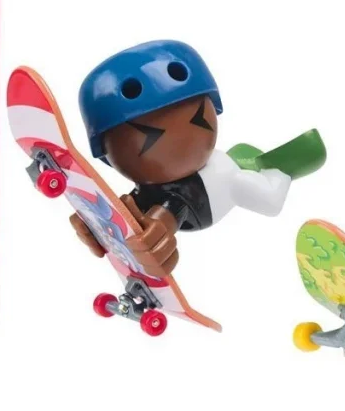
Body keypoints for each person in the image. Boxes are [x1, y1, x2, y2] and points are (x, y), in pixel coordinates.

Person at [75, 40, 326, 275]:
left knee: (270, 202)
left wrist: (157, 237)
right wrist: (95, 222)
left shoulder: (197, 190)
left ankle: (281, 171)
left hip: (229, 181)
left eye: (195, 119)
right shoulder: (149, 188)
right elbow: (131, 209)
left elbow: (168, 214)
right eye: (150, 136)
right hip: (217, 174)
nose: (174, 142)